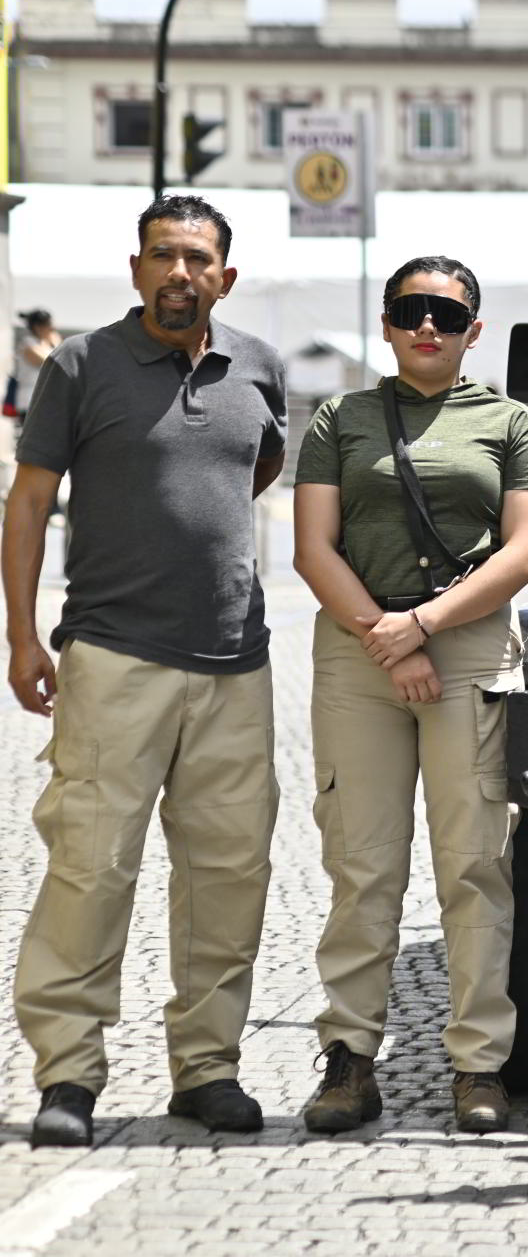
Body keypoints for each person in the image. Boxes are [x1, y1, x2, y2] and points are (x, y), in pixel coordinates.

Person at [6, 195, 286, 1147]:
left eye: (197, 258)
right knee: (91, 866)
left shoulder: (259, 367)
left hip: (236, 666)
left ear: (225, 276)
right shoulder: (81, 366)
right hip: (113, 657)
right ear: (136, 270)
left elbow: (252, 472)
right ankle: (70, 1073)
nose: (179, 272)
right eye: (162, 255)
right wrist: (22, 635)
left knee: (230, 873)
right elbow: (29, 500)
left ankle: (207, 1067)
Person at [292, 255, 528, 1134]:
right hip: (359, 652)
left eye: (445, 311)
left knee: (475, 864)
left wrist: (424, 625)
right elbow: (312, 548)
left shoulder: (512, 422)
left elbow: (525, 553)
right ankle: (350, 1061)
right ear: (388, 323)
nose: (426, 325)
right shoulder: (341, 416)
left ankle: (478, 1066)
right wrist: (386, 634)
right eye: (409, 310)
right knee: (361, 865)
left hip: (470, 649)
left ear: (474, 328)